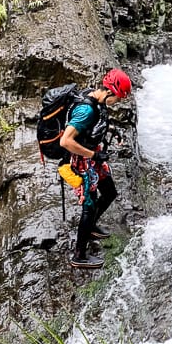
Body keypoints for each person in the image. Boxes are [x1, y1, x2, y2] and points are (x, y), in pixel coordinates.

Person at [60, 67, 132, 268]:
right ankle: (79, 256)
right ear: (109, 92)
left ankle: (90, 227)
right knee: (89, 206)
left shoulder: (98, 101)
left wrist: (112, 130)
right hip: (81, 162)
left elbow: (97, 122)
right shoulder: (86, 110)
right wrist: (93, 155)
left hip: (94, 159)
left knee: (109, 193)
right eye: (118, 98)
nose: (117, 102)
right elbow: (65, 141)